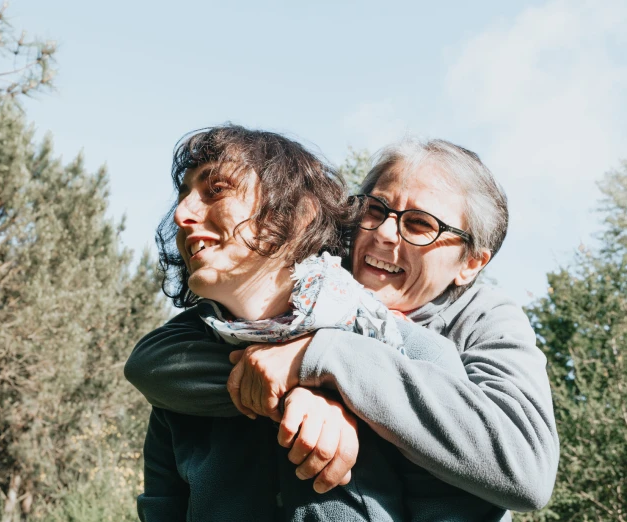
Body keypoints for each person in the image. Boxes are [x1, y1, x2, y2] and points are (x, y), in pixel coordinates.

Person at [126, 135, 559, 520]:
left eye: (420, 224)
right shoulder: (284, 296)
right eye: (375, 209)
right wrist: (303, 390)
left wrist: (318, 358)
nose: (386, 233)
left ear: (470, 264)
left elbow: (523, 468)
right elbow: (152, 362)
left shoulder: (481, 322)